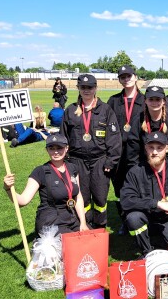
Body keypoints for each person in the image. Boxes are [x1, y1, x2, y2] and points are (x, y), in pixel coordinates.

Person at [60, 74, 122, 228]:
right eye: (83, 87)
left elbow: (114, 138)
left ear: (95, 88)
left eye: (90, 87)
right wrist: (65, 162)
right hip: (77, 161)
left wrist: (111, 160)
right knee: (83, 197)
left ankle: (100, 226)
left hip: (99, 161)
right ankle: (85, 224)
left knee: (100, 198)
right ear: (78, 88)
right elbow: (63, 137)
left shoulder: (105, 110)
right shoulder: (71, 110)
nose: (86, 90)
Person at [120, 132, 168, 255]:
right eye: (151, 147)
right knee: (133, 218)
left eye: (159, 148)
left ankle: (166, 239)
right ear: (145, 148)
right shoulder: (135, 172)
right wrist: (156, 203)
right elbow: (126, 201)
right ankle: (147, 252)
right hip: (146, 218)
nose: (155, 152)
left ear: (167, 148)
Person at [3, 133, 89, 235]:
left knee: (91, 241)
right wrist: (8, 188)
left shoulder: (73, 168)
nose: (55, 151)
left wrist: (83, 223)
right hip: (51, 220)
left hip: (71, 218)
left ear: (66, 148)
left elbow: (77, 196)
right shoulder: (40, 171)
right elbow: (22, 201)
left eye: (59, 148)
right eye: (51, 148)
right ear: (47, 150)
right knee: (72, 245)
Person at [107, 65, 145, 234]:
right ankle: (125, 219)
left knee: (139, 187)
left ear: (136, 77)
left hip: (138, 153)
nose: (126, 79)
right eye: (122, 77)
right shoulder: (113, 101)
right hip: (118, 153)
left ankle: (141, 218)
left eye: (129, 75)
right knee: (120, 188)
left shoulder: (146, 100)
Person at [126, 86, 168, 169]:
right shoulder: (138, 120)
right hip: (144, 166)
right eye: (151, 99)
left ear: (164, 101)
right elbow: (133, 151)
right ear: (145, 101)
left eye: (158, 99)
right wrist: (136, 173)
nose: (154, 103)